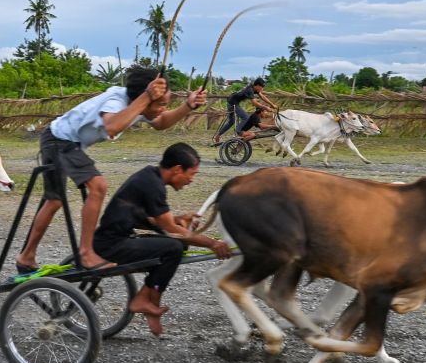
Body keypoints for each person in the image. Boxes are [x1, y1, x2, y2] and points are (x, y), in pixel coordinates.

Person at [15, 66, 206, 273]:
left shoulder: (139, 105)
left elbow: (160, 123)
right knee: (96, 187)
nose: (162, 108)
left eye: (165, 104)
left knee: (55, 200)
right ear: (144, 96)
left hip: (71, 143)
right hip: (59, 140)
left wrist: (188, 105)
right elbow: (111, 127)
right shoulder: (116, 101)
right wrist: (146, 97)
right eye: (160, 104)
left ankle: (27, 256)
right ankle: (85, 252)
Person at [93, 142, 232, 336]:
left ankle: (144, 297)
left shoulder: (151, 177)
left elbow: (153, 220)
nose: (191, 180)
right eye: (192, 174)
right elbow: (170, 229)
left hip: (119, 238)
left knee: (178, 245)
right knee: (173, 247)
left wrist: (177, 219)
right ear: (177, 170)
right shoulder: (152, 184)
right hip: (110, 245)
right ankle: (150, 300)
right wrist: (213, 243)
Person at [212, 77, 274, 144]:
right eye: (262, 87)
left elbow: (262, 96)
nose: (262, 89)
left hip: (233, 102)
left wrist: (272, 104)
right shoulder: (250, 90)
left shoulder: (253, 88)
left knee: (231, 122)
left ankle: (218, 135)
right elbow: (254, 103)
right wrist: (265, 107)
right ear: (257, 85)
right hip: (232, 103)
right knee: (245, 117)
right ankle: (239, 131)